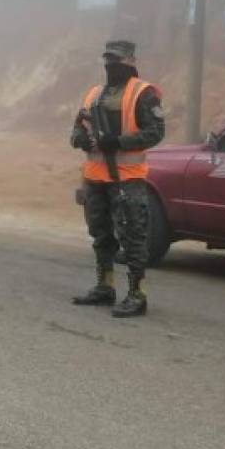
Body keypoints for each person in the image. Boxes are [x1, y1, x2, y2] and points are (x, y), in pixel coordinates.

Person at [70, 40, 165, 318]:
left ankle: (137, 294)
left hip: (127, 178)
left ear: (130, 62)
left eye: (117, 60)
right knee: (100, 234)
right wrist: (80, 139)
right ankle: (105, 286)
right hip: (95, 178)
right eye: (108, 60)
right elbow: (78, 127)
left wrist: (119, 141)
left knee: (133, 237)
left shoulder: (143, 93)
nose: (112, 65)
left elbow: (156, 132)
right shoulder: (95, 94)